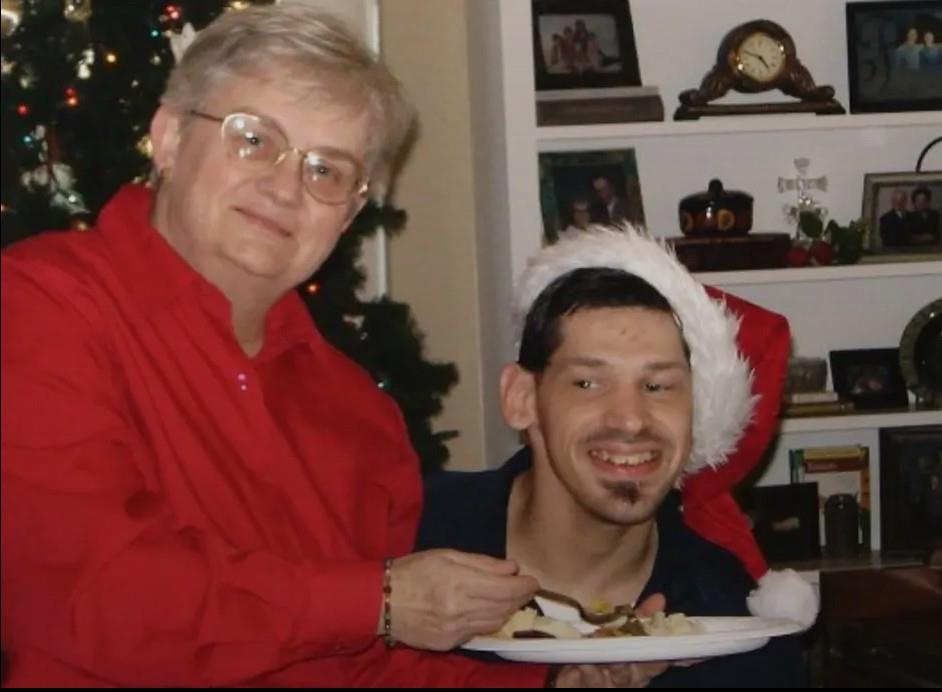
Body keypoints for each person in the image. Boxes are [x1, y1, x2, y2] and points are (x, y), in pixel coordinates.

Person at [0, 4, 611, 687]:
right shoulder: (40, 306)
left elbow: (360, 669)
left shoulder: (358, 414)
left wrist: (555, 684)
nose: (285, 187)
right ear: (168, 139)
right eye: (253, 139)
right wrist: (378, 602)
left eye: (327, 171)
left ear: (348, 215)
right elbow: (91, 595)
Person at [418, 227, 816, 687]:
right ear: (522, 398)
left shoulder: (731, 625)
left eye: (658, 386)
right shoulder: (408, 542)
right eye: (588, 383)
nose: (629, 420)